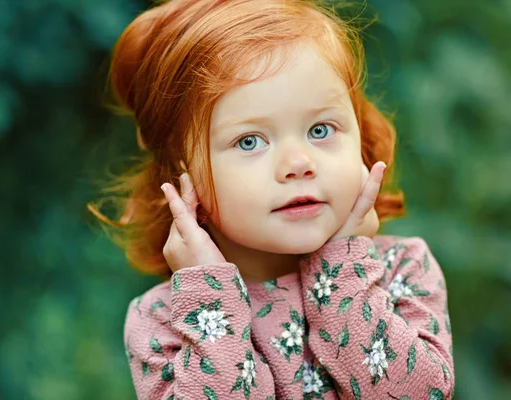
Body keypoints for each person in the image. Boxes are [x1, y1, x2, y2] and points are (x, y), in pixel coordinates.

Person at [91, 0, 454, 398]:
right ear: (183, 169)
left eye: (320, 129)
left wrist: (343, 271)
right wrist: (212, 299)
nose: (298, 163)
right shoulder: (165, 318)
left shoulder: (400, 270)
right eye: (250, 141)